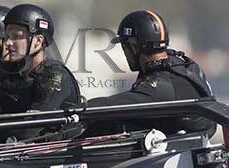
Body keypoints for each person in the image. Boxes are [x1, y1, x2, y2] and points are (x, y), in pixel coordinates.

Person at [0, 3, 81, 136]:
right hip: (4, 146)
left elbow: (28, 131)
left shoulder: (54, 76)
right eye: (6, 37)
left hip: (46, 149)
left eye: (16, 37)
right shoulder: (4, 72)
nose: (7, 43)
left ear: (38, 41)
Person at [84, 10, 216, 136]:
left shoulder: (161, 85)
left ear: (134, 48)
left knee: (106, 125)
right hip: (181, 135)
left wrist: (80, 108)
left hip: (178, 146)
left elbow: (114, 105)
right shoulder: (181, 64)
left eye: (124, 48)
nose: (125, 54)